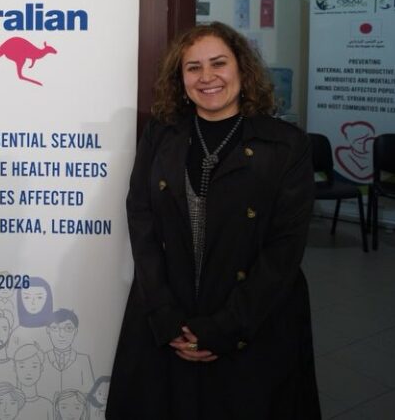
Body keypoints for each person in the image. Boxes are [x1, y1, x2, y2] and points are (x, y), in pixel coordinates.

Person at [106, 21, 319, 419]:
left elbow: (284, 249)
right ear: (180, 77)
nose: (207, 77)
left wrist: (226, 327)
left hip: (252, 322)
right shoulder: (160, 135)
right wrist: (164, 316)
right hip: (169, 318)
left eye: (218, 63)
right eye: (193, 67)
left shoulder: (287, 145)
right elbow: (141, 217)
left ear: (242, 68)